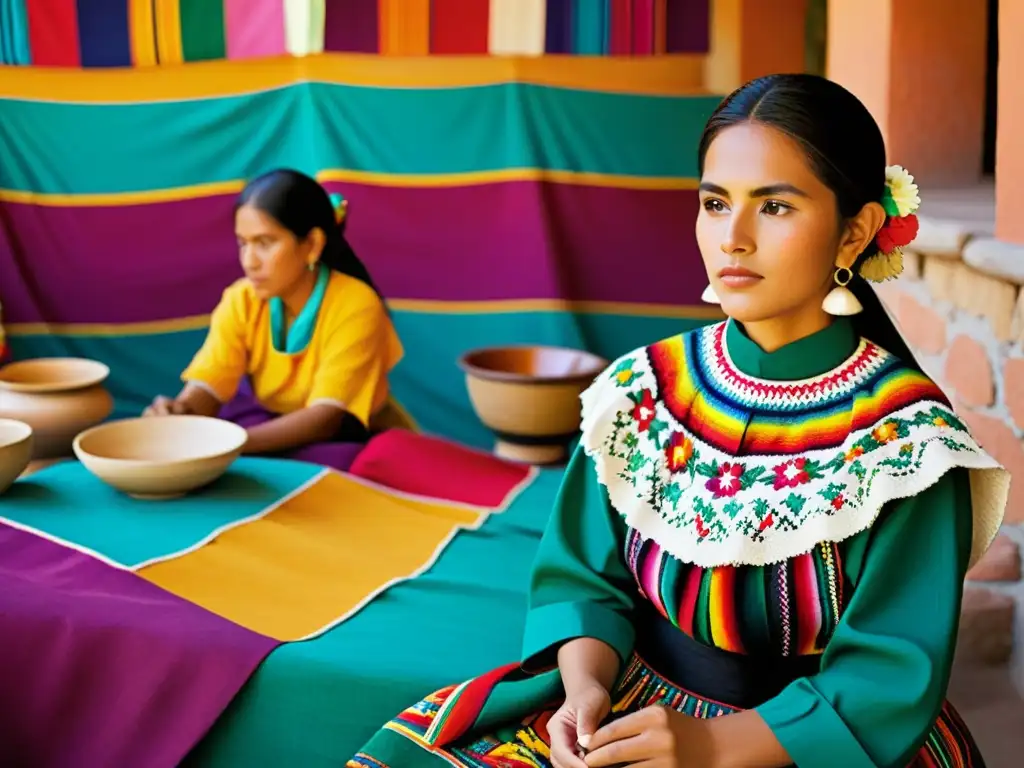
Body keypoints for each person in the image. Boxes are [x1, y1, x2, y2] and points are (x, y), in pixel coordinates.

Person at [346, 74, 1009, 768]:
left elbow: (886, 676)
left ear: (856, 231)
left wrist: (714, 745)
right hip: (632, 707)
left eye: (775, 207)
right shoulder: (643, 390)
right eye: (715, 203)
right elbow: (582, 574)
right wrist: (583, 689)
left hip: (807, 746)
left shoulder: (907, 446)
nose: (734, 239)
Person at [145, 169, 406, 468]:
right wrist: (181, 413)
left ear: (312, 245)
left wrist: (228, 446)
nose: (249, 261)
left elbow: (326, 417)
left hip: (337, 435)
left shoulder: (356, 304)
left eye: (265, 243)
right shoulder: (241, 299)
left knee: (339, 469)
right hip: (261, 424)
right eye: (243, 243)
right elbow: (212, 381)